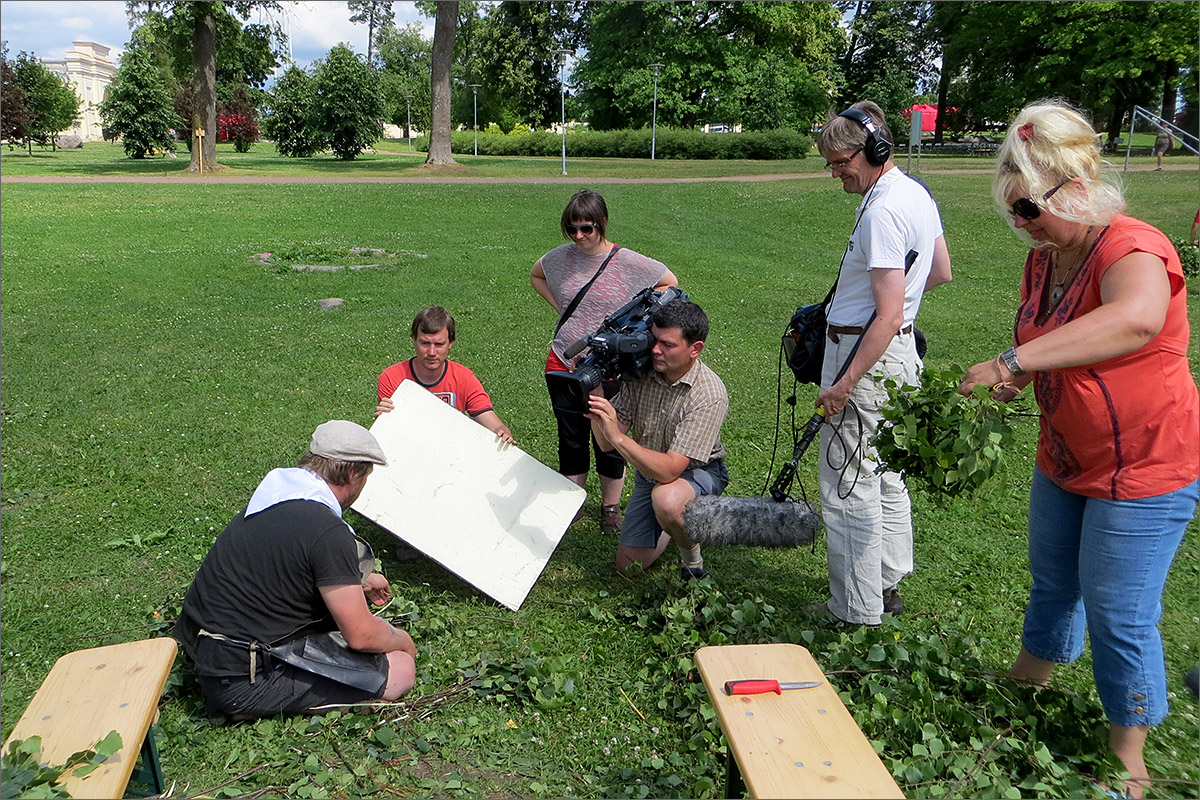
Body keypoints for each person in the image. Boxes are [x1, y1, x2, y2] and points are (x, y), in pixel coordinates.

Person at [958, 100, 1199, 799]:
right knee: (1054, 583)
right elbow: (1051, 342)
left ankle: (1130, 751)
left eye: (1031, 208)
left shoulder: (1133, 246)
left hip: (1144, 466)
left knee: (1120, 610)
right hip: (1066, 457)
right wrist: (1026, 370)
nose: (1022, 225)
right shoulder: (1049, 257)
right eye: (1014, 213)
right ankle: (1026, 688)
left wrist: (1011, 365)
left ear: (1077, 187)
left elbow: (1135, 318)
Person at [808, 101, 953, 626]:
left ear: (874, 149)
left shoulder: (885, 209)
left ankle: (855, 608)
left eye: (840, 160)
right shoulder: (915, 193)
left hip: (863, 351)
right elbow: (940, 271)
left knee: (847, 479)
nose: (835, 172)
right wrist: (900, 310)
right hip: (896, 352)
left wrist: (845, 380)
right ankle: (887, 583)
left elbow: (887, 313)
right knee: (886, 471)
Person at [175, 420, 418, 720]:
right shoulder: (327, 531)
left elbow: (286, 564)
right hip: (241, 681)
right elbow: (362, 636)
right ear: (354, 474)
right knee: (401, 670)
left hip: (200, 647)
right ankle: (256, 706)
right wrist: (403, 641)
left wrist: (360, 582)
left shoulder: (276, 493)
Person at [531, 189, 679, 532]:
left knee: (611, 434)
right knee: (570, 434)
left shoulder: (627, 261)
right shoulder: (558, 258)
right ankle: (574, 499)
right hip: (564, 358)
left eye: (587, 228)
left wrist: (633, 325)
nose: (579, 236)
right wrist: (562, 309)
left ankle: (611, 507)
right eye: (572, 229)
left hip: (611, 364)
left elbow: (669, 284)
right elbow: (535, 275)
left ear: (602, 224)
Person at [585, 298, 728, 579]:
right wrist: (597, 399)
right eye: (654, 339)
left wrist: (617, 437)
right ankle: (674, 525)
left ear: (695, 349)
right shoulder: (641, 373)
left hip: (697, 473)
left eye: (668, 345)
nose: (655, 350)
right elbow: (604, 443)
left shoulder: (709, 394)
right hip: (648, 473)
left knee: (667, 499)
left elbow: (670, 470)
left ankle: (693, 564)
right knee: (628, 567)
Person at [376, 306, 514, 445]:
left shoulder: (464, 377)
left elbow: (489, 420)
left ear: (450, 343)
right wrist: (384, 419)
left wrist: (501, 430)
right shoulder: (392, 377)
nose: (431, 352)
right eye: (425, 343)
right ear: (414, 340)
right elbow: (394, 434)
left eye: (439, 344)